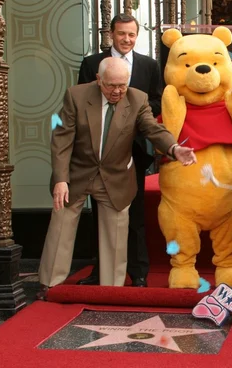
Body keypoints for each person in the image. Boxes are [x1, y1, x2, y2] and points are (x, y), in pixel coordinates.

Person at [37, 58, 196, 298]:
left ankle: (111, 289)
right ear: (99, 80)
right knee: (61, 226)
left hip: (115, 174)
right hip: (77, 172)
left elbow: (153, 130)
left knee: (116, 236)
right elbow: (61, 139)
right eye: (111, 85)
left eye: (122, 85)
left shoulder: (137, 98)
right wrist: (61, 179)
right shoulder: (76, 96)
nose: (118, 91)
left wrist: (174, 149)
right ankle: (50, 286)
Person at [77, 14, 163, 287]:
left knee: (135, 212)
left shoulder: (149, 65)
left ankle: (138, 273)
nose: (126, 39)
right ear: (111, 34)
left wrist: (132, 115)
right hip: (98, 154)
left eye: (132, 34)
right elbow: (82, 102)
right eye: (121, 33)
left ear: (137, 36)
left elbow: (158, 101)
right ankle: (99, 271)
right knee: (100, 214)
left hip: (132, 150)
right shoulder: (91, 63)